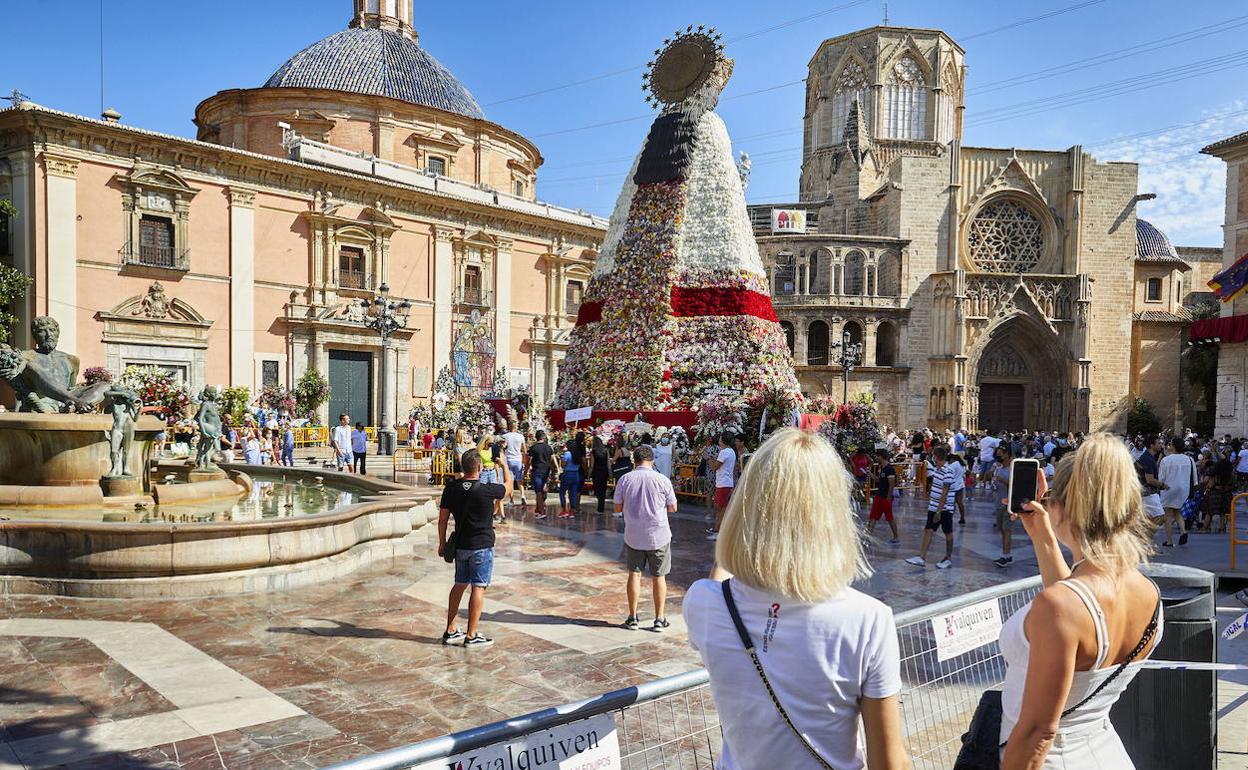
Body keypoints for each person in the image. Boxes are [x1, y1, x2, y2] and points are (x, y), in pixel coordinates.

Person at [683, 429, 909, 770]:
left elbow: (722, 577)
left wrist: (740, 539)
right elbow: (890, 763)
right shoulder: (867, 619)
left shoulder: (704, 603)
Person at [1000, 433, 1161, 769]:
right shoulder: (1147, 592)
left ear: (1063, 507)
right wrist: (1043, 538)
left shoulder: (1058, 606)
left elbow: (1037, 733)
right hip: (1104, 753)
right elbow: (1081, 615)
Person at [437, 450, 506, 648]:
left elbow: (443, 519)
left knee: (459, 583)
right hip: (481, 545)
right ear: (479, 468)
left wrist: (442, 543)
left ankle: (450, 629)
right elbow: (508, 488)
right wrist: (504, 466)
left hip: (461, 545)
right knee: (478, 587)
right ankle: (471, 634)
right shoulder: (487, 489)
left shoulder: (451, 488)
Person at [615, 445, 678, 631]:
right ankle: (659, 619)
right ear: (653, 460)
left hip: (634, 534)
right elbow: (673, 507)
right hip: (658, 534)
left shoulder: (625, 479)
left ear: (635, 460)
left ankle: (633, 617)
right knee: (659, 576)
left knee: (634, 573)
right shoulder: (662, 480)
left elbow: (617, 508)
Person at [906, 446, 956, 569]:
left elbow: (945, 492)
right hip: (934, 507)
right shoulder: (937, 470)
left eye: (933, 455)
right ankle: (921, 557)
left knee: (948, 532)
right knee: (928, 530)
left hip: (944, 509)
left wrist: (939, 511)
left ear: (936, 457)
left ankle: (948, 558)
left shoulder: (948, 471)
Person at [1156, 436, 1194, 547]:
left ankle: (1169, 540)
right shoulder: (1189, 459)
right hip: (1183, 489)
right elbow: (1193, 475)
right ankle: (1183, 531)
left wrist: (1160, 485)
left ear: (1173, 446)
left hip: (1168, 488)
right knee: (1177, 510)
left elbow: (1161, 477)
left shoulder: (1166, 460)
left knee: (1167, 514)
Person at [707, 431, 737, 542]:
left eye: (720, 439)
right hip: (726, 482)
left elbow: (715, 467)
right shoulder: (732, 451)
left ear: (723, 440)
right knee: (721, 507)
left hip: (723, 483)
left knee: (720, 509)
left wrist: (708, 458)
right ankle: (718, 529)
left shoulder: (724, 452)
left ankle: (718, 532)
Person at [867, 448, 901, 544]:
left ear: (881, 456)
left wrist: (889, 497)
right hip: (879, 496)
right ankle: (868, 535)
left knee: (889, 518)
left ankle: (896, 537)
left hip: (885, 497)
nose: (876, 458)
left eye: (877, 456)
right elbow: (880, 480)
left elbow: (891, 483)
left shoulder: (889, 469)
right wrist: (871, 475)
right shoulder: (882, 468)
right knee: (873, 516)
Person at [993, 444, 1017, 568]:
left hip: (1008, 504)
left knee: (1007, 530)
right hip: (999, 502)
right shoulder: (1000, 468)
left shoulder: (1013, 469)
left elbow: (1015, 486)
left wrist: (1002, 480)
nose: (998, 455)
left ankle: (1006, 555)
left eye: (1000, 453)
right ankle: (1006, 554)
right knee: (1002, 530)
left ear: (1007, 454)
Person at [525, 430, 556, 519]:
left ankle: (542, 512)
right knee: (542, 490)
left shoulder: (533, 448)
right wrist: (554, 470)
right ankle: (538, 509)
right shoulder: (549, 447)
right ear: (544, 437)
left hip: (537, 471)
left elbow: (529, 461)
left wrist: (525, 471)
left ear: (536, 437)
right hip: (546, 471)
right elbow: (552, 459)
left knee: (538, 491)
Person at [1134, 435, 1166, 521]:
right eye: (1158, 443)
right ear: (1152, 445)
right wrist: (1163, 485)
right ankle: (1145, 534)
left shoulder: (1147, 457)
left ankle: (1144, 534)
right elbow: (1150, 479)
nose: (1161, 445)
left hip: (1145, 491)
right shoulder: (1148, 459)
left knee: (1148, 519)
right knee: (1160, 518)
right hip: (1148, 492)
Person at [1200, 457, 1234, 533]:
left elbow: (1210, 485)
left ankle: (1205, 528)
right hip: (1227, 494)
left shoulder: (1215, 474)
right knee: (1223, 513)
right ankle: (1222, 529)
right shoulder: (1230, 474)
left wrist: (1208, 487)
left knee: (1209, 512)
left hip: (1215, 494)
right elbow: (1233, 485)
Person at [501, 421, 527, 513]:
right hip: (518, 459)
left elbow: (502, 447)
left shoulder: (505, 436)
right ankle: (523, 495)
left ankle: (511, 500)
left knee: (510, 481)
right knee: (520, 480)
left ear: (509, 426)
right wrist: (524, 461)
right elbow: (524, 450)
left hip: (508, 459)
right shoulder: (521, 436)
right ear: (516, 427)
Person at [558, 440, 582, 518]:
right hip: (576, 474)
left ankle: (564, 510)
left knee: (562, 492)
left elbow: (563, 465)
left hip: (568, 473)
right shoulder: (578, 454)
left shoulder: (567, 454)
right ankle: (572, 511)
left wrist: (562, 459)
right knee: (573, 493)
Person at [590, 435, 611, 514]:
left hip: (596, 472)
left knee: (597, 489)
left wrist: (589, 474)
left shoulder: (594, 452)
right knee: (603, 488)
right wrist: (610, 473)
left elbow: (592, 464)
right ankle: (601, 507)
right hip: (604, 472)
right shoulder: (606, 451)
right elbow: (608, 463)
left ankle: (600, 507)